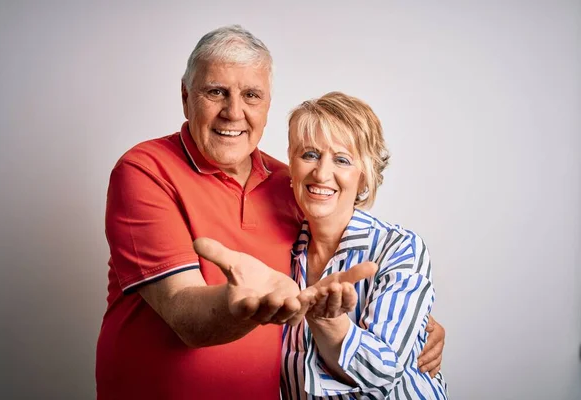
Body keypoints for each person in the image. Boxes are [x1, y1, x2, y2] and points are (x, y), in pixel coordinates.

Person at [96, 25, 445, 399]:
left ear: (266, 105)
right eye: (216, 92)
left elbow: (354, 259)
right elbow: (187, 318)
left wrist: (414, 324)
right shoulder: (145, 170)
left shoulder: (289, 184)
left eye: (251, 95)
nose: (234, 112)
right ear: (186, 97)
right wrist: (250, 306)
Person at [196, 92, 449, 399]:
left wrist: (328, 321)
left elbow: (381, 374)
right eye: (310, 155)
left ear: (365, 177)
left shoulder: (398, 247)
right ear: (291, 164)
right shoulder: (281, 249)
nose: (321, 173)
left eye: (342, 159)